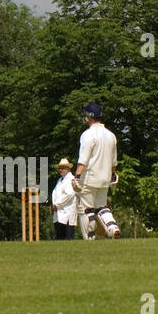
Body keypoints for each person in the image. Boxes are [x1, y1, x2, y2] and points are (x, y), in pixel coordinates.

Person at [74, 103, 119, 240]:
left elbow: (83, 158)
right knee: (101, 207)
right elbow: (113, 161)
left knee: (86, 209)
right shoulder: (111, 135)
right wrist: (112, 175)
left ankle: (89, 238)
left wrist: (77, 176)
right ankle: (112, 227)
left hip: (89, 178)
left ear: (89, 117)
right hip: (105, 178)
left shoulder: (88, 135)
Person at [50, 158, 77, 239]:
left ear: (68, 169)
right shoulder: (60, 180)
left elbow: (69, 195)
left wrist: (56, 205)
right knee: (59, 238)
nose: (60, 170)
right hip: (59, 213)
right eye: (59, 168)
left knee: (68, 237)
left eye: (63, 168)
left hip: (67, 213)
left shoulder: (71, 179)